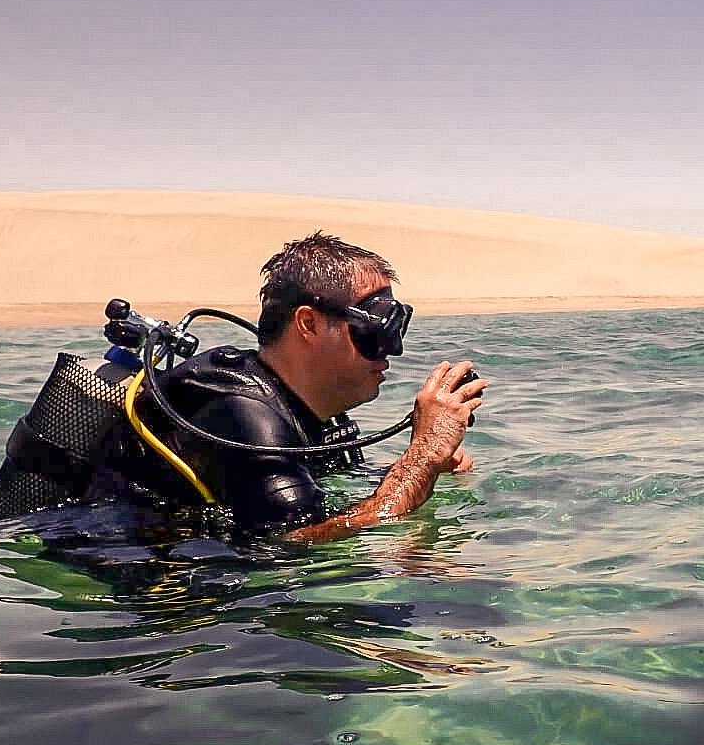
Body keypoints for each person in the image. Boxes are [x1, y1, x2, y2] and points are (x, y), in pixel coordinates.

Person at [88, 231, 486, 540]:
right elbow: (295, 542)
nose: (392, 351)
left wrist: (419, 468)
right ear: (309, 324)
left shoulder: (307, 408)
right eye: (374, 332)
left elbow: (315, 486)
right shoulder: (239, 409)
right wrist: (421, 459)